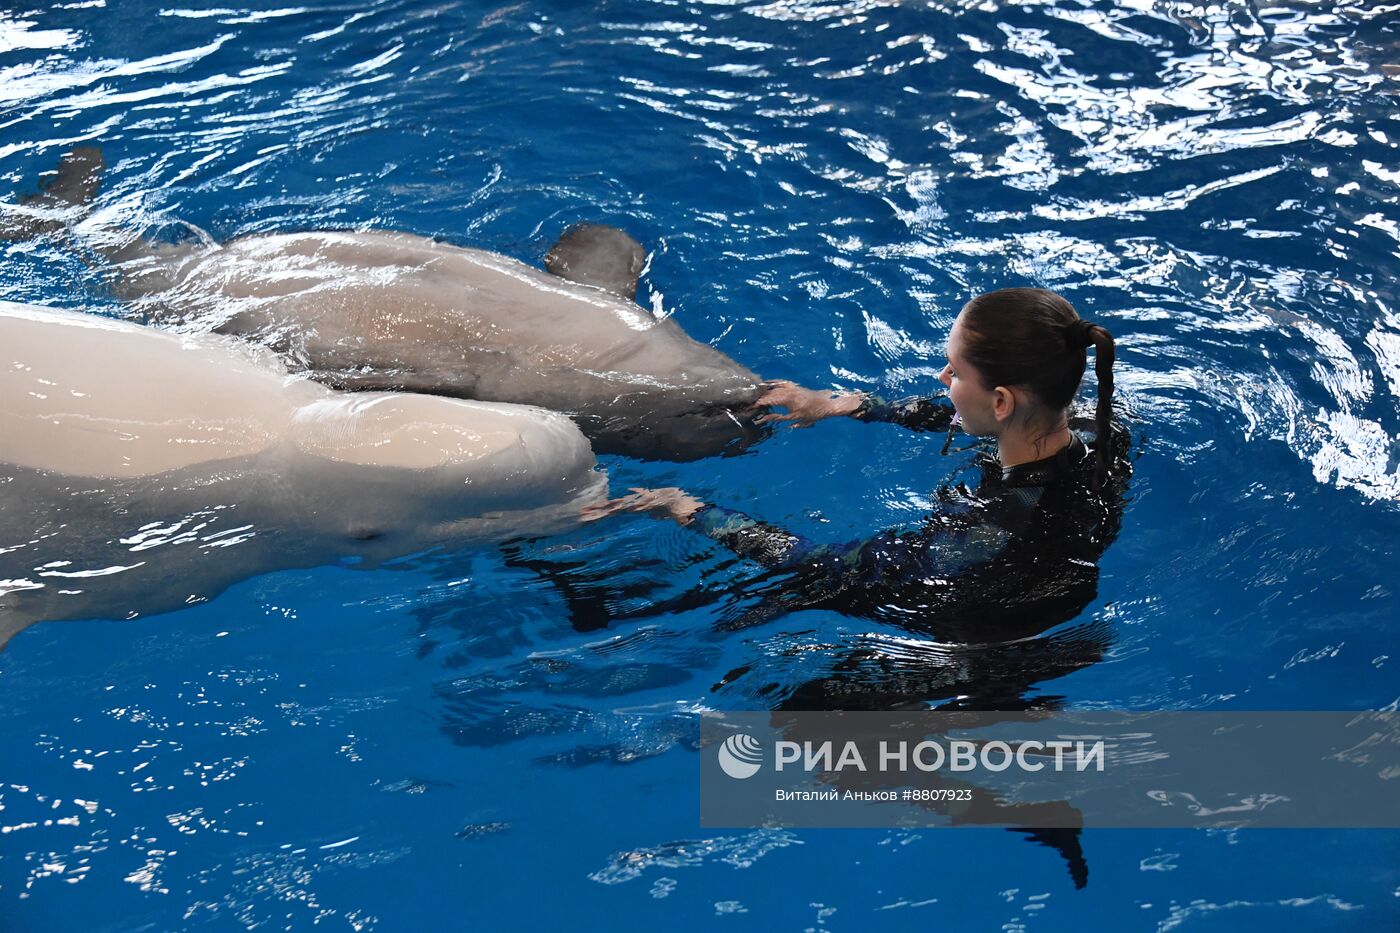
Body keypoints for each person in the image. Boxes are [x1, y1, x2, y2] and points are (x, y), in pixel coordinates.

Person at [582, 287, 1130, 642]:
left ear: (1002, 401)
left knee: (793, 707)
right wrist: (848, 405)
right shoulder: (1098, 429)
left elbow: (814, 559)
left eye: (955, 372)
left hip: (983, 637)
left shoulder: (980, 535)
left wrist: (685, 508)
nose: (942, 380)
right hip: (1060, 603)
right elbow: (960, 417)